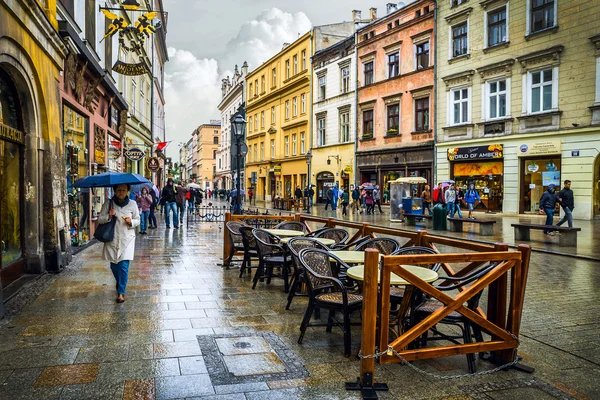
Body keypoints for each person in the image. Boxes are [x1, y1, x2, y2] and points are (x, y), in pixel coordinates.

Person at [99, 184, 140, 303]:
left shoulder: (132, 204)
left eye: (123, 190)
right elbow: (100, 219)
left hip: (127, 239)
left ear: (127, 191)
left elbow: (138, 219)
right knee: (114, 266)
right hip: (112, 239)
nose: (121, 192)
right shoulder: (109, 203)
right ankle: (120, 281)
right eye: (118, 190)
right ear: (114, 191)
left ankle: (121, 292)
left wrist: (131, 221)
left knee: (123, 267)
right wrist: (109, 215)